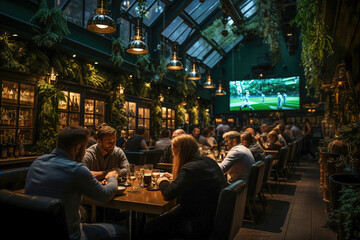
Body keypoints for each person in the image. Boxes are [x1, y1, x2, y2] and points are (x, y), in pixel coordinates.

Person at [25, 126, 129, 240]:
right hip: (70, 235)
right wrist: (112, 177)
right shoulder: (76, 169)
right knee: (121, 231)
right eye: (84, 148)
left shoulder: (37, 162)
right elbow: (105, 196)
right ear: (77, 148)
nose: (85, 153)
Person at [144, 134, 226, 239]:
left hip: (197, 223)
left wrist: (162, 181)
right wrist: (176, 177)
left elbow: (169, 194)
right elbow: (196, 180)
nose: (173, 155)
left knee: (150, 228)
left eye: (174, 152)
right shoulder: (208, 161)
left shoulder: (189, 169)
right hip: (213, 217)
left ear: (180, 152)